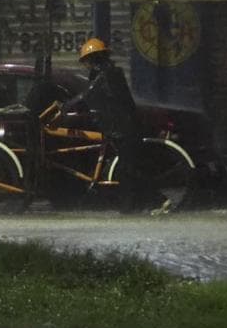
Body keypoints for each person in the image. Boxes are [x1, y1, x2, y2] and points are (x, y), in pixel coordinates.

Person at [67, 38, 162, 213]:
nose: (86, 65)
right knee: (128, 169)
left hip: (122, 128)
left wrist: (65, 107)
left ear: (94, 59)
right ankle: (139, 205)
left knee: (128, 170)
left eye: (87, 61)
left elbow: (89, 95)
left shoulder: (105, 75)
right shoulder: (110, 73)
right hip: (123, 127)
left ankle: (154, 202)